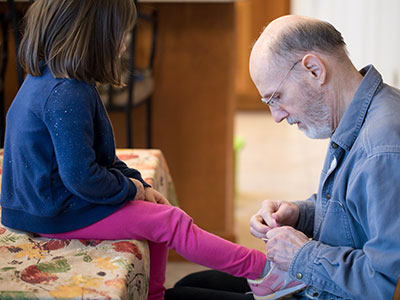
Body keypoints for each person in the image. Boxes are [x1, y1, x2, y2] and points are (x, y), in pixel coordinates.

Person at [0, 1, 276, 300]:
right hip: (53, 215)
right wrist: (130, 188)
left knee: (160, 216)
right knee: (171, 222)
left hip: (40, 208)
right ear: (94, 36)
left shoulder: (52, 78)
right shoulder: (67, 93)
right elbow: (83, 179)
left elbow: (101, 159)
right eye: (120, 35)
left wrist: (139, 187)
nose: (123, 45)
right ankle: (266, 270)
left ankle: (154, 295)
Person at [165, 15, 400, 300]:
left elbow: (388, 285)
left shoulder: (382, 151)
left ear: (314, 69)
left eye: (276, 98)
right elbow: (355, 215)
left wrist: (301, 254)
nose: (276, 117)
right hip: (327, 282)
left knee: (180, 296)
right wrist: (301, 214)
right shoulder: (365, 111)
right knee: (191, 283)